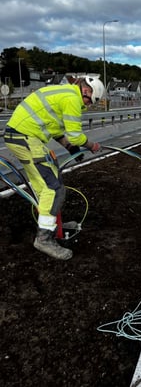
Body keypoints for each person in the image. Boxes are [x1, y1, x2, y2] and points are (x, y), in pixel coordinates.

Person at [4, 76, 105, 260]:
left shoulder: (63, 94)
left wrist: (72, 149)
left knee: (45, 187)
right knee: (54, 188)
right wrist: (91, 146)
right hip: (26, 138)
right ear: (87, 91)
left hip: (21, 137)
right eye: (90, 102)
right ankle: (44, 239)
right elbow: (75, 135)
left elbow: (57, 131)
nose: (88, 106)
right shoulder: (72, 99)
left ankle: (52, 225)